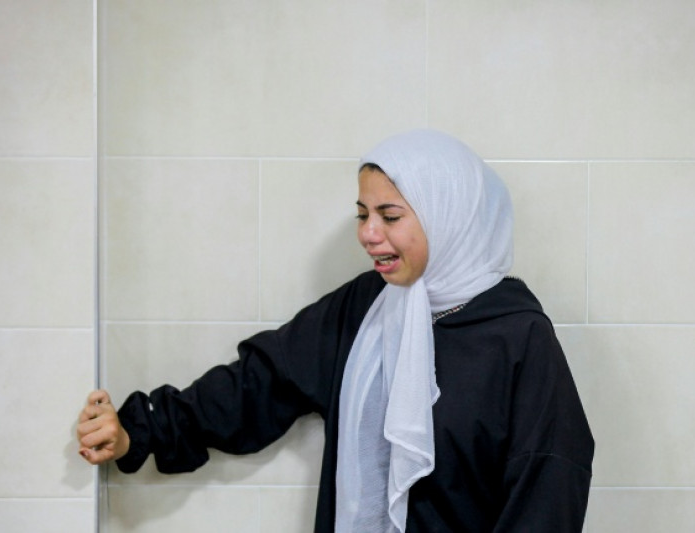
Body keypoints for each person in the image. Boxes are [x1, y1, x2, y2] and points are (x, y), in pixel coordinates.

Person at [77, 129, 594, 532]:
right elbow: (260, 383)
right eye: (363, 214)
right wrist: (138, 431)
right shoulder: (366, 307)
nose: (368, 234)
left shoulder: (519, 337)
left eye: (390, 216)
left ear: (448, 215)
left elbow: (548, 489)